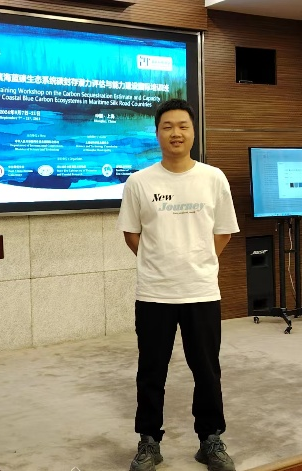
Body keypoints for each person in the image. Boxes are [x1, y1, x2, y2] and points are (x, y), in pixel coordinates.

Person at [117, 98, 239, 471]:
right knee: (151, 371)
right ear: (157, 133)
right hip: (154, 293)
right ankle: (149, 441)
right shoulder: (139, 182)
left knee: (207, 371)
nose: (176, 133)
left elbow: (223, 232)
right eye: (167, 126)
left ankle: (210, 440)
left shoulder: (213, 178)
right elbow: (132, 234)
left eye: (183, 126)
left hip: (201, 292)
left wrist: (196, 261)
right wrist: (162, 262)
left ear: (193, 132)